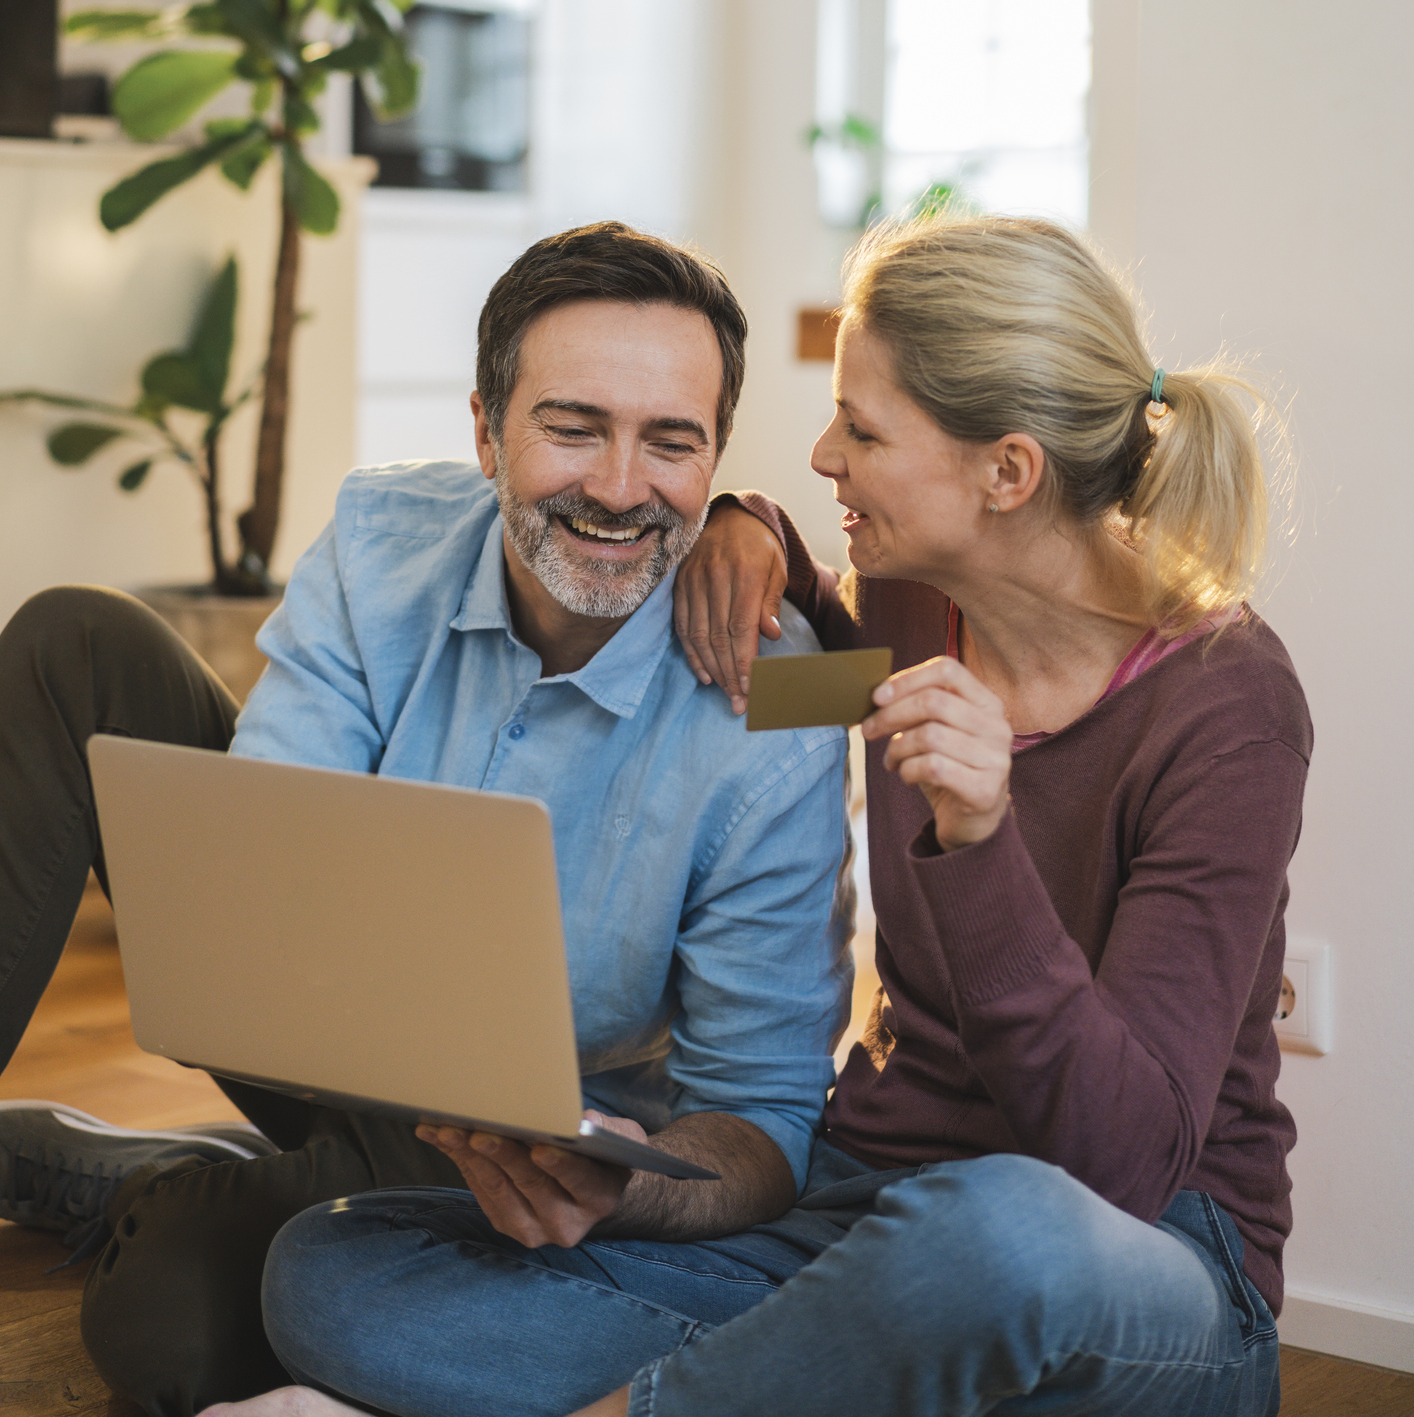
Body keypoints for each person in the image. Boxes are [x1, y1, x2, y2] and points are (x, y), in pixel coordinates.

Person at [242, 211, 1307, 1417]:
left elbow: (1121, 1160)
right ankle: (820, 1382)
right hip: (857, 1215)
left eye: (861, 427)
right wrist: (740, 524)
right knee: (336, 1264)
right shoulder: (905, 608)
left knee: (997, 1227)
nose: (821, 453)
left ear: (1006, 472)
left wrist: (981, 841)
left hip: (1136, 1261)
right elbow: (760, 675)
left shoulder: (1227, 707)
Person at [0, 221, 851, 1416]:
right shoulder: (380, 539)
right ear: (484, 429)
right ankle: (228, 1170)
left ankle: (126, 1172)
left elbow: (762, 1123)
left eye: (671, 440)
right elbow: (267, 850)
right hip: (315, 1009)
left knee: (169, 1339)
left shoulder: (774, 711)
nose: (618, 486)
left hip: (512, 1141)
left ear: (715, 456)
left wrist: (617, 1187)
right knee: (69, 640)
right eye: (571, 425)